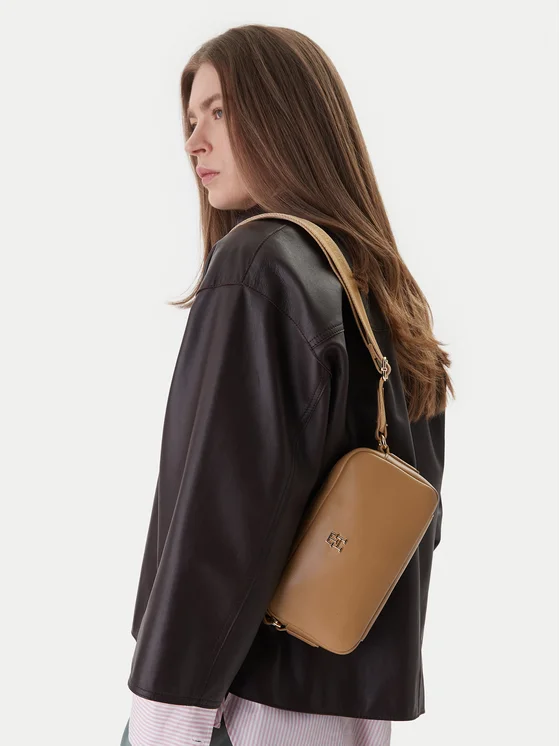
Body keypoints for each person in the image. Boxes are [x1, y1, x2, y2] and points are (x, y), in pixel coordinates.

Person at [121, 23, 454, 746]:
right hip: (349, 715)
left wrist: (164, 717)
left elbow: (220, 519)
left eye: (218, 111)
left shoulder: (260, 262)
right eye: (189, 120)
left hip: (239, 710)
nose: (193, 142)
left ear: (285, 115)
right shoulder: (387, 294)